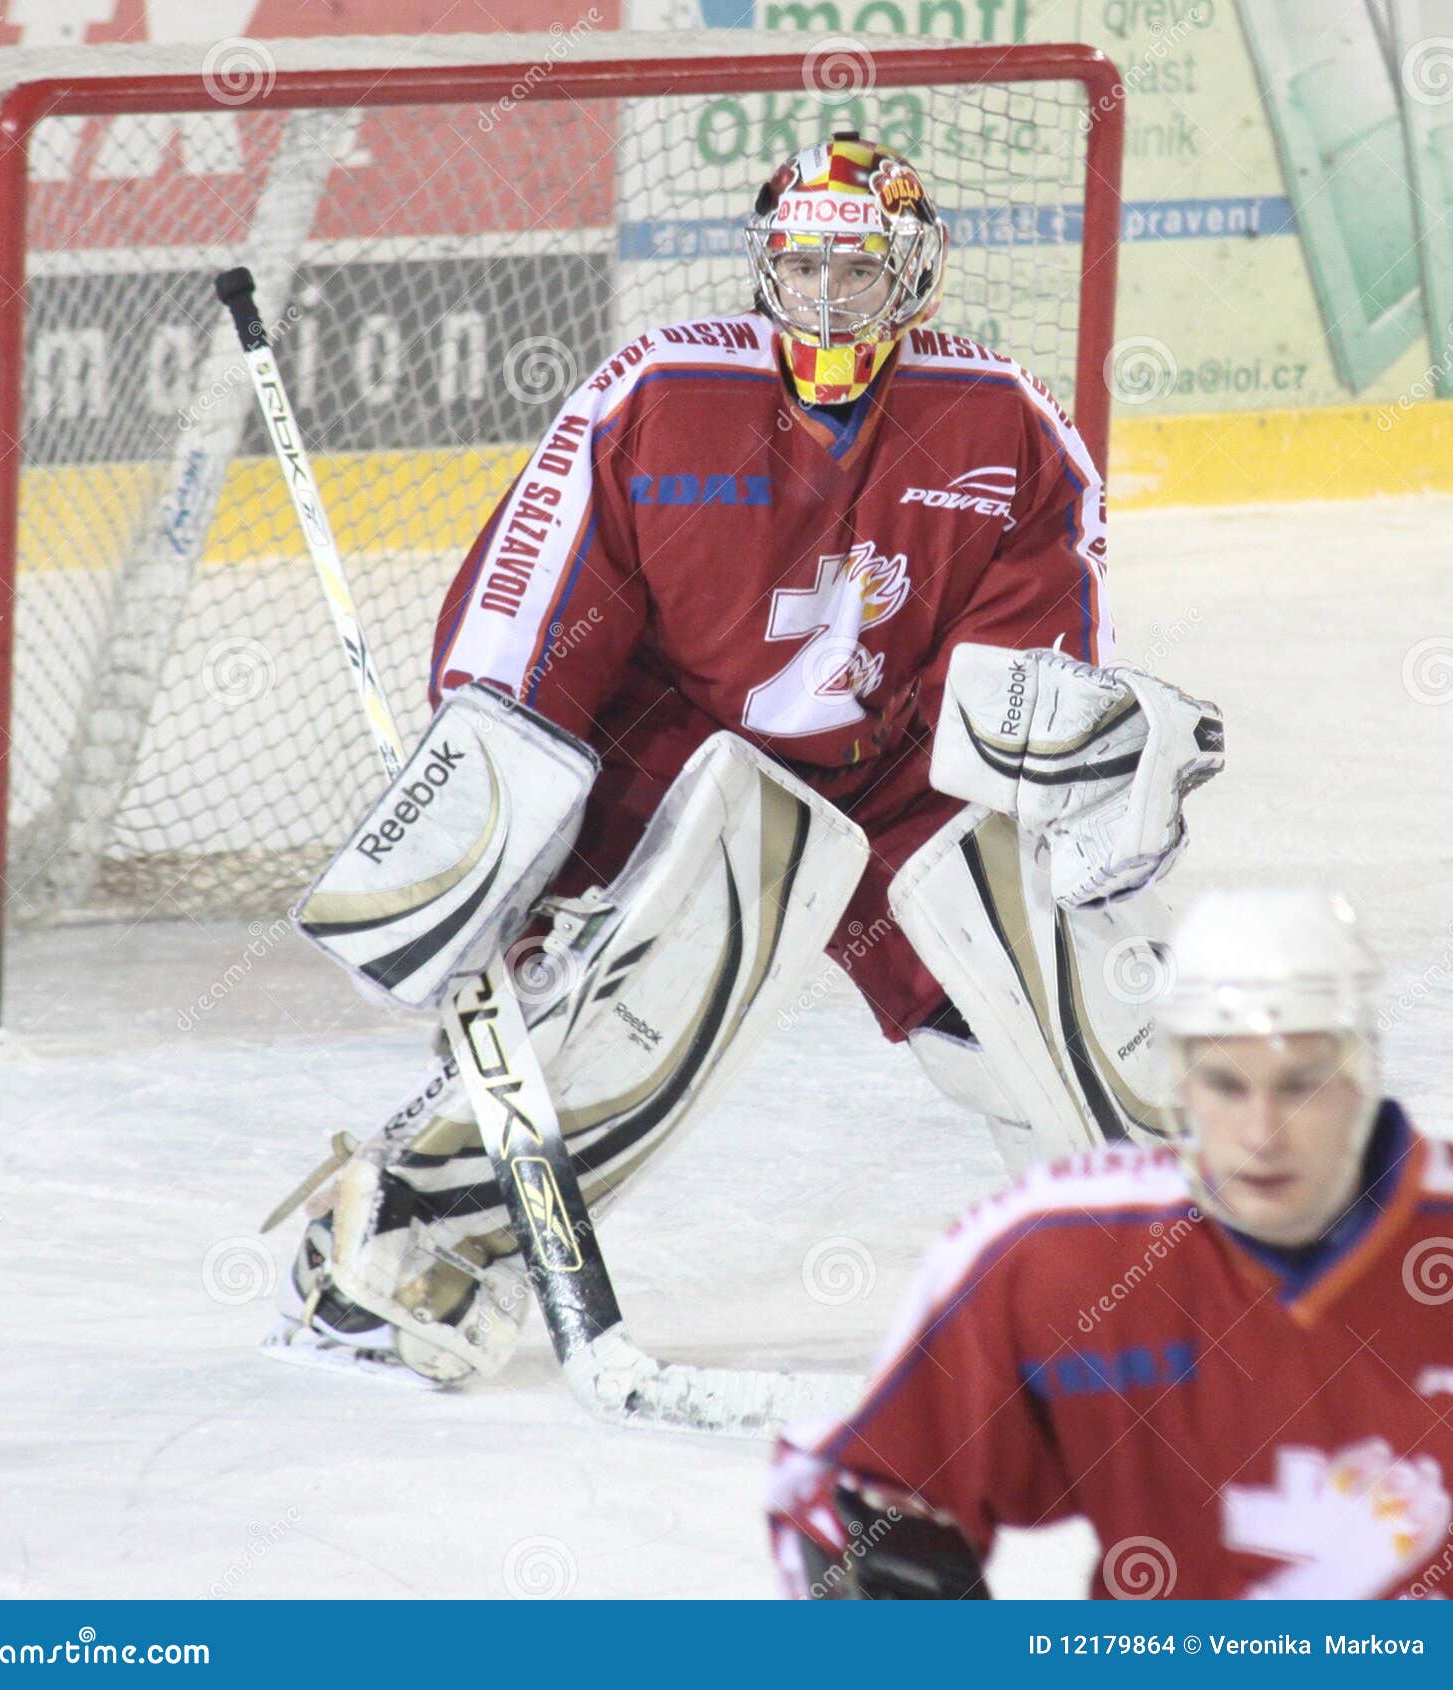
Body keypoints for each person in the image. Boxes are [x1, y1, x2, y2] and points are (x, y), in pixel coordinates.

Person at [268, 134, 1221, 1387]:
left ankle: (1160, 1256)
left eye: (860, 272)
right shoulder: (657, 395)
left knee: (1070, 976)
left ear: (916, 282)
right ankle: (389, 1242)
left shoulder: (1004, 426)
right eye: (804, 267)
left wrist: (1092, 782)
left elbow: (1015, 695)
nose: (829, 298)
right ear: (763, 271)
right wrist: (493, 819)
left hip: (897, 775)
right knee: (629, 1009)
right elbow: (535, 620)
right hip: (684, 763)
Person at [769, 888, 1453, 1600]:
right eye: (1225, 1084)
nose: (1262, 1132)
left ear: (1359, 1077)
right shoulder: (1057, 1258)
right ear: (1179, 1088)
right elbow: (845, 1497)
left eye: (1299, 1086)